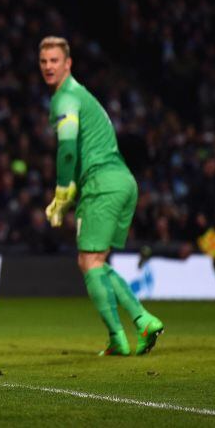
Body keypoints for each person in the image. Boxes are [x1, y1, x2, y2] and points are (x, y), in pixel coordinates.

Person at [39, 36, 164, 356]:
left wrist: (62, 190)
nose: (49, 66)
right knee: (97, 261)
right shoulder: (85, 97)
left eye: (55, 60)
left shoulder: (65, 99)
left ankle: (122, 334)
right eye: (44, 61)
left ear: (68, 64)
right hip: (123, 182)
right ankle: (138, 323)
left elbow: (67, 148)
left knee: (88, 261)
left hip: (102, 184)